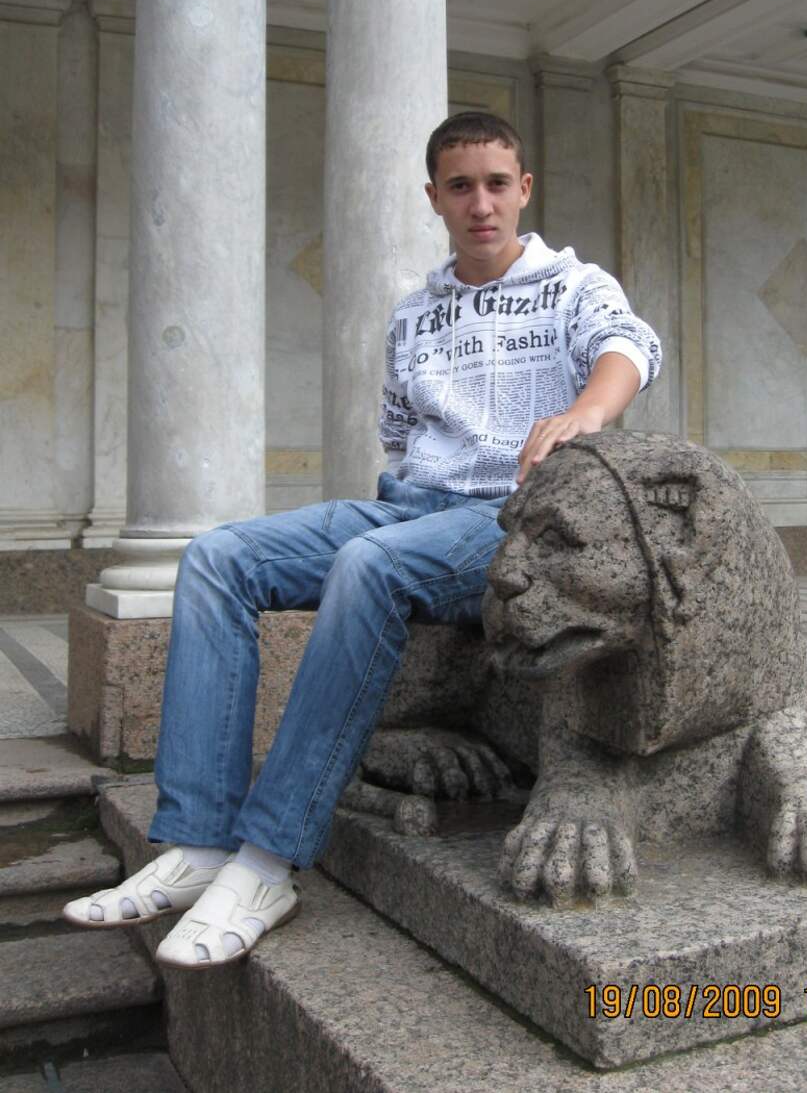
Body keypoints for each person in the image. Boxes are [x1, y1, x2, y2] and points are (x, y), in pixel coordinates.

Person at [63, 111, 662, 969]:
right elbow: (399, 434)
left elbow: (629, 347)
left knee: (369, 566)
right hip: (410, 505)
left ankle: (267, 861)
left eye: (497, 183)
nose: (481, 203)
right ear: (434, 197)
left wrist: (584, 413)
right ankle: (197, 840)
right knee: (217, 558)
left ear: (524, 188)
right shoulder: (413, 314)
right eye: (461, 186)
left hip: (509, 519)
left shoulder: (571, 284)